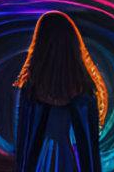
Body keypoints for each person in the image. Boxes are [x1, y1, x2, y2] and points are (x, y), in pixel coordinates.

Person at [14, 12, 106, 172]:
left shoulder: (31, 89)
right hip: (68, 158)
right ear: (73, 45)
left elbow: (24, 143)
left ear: (41, 45)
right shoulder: (83, 90)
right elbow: (90, 150)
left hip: (39, 162)